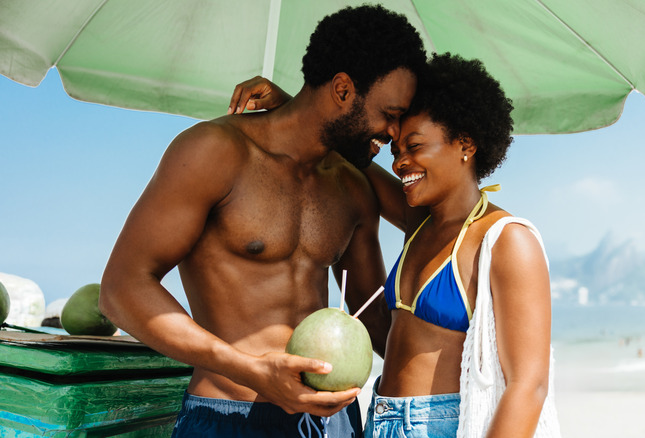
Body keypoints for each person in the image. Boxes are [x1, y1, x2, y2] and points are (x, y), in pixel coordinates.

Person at [100, 5, 426, 437]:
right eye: (390, 113)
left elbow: (375, 317)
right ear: (343, 90)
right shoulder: (214, 152)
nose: (395, 134)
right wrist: (252, 370)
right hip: (228, 417)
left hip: (333, 424)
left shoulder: (352, 188)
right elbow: (121, 289)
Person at [231, 53, 559, 437]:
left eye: (415, 146)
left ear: (465, 144)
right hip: (379, 420)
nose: (401, 162)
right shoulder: (421, 223)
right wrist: (292, 107)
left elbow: (527, 385)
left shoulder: (506, 240)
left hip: (444, 426)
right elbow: (353, 161)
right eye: (397, 150)